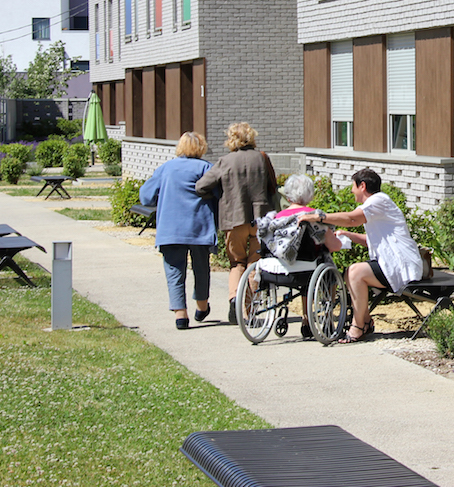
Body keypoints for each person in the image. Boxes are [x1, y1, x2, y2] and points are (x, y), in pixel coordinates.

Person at [296, 168, 421, 343]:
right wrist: (348, 235)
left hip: (402, 265)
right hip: (394, 263)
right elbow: (372, 240)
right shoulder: (377, 205)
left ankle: (359, 326)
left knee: (355, 272)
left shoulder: (378, 200)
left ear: (362, 186)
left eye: (353, 187)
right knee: (352, 272)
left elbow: (351, 219)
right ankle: (365, 321)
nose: (351, 191)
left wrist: (318, 217)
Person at [195, 122, 277, 322]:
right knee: (255, 264)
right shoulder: (262, 158)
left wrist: (220, 196)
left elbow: (201, 186)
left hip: (234, 218)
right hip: (260, 218)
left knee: (237, 262)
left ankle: (234, 299)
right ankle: (249, 310)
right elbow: (273, 186)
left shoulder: (225, 161)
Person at [139, 132, 216, 331]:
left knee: (174, 272)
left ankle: (180, 315)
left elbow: (146, 197)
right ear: (201, 148)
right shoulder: (206, 168)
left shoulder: (166, 168)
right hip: (199, 228)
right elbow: (219, 195)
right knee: (201, 268)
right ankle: (202, 306)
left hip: (170, 228)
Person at [257, 174, 346, 339]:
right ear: (310, 194)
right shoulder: (313, 217)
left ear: (288, 195)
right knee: (328, 270)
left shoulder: (276, 218)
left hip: (278, 267)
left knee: (309, 270)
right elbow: (334, 246)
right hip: (308, 267)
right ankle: (326, 318)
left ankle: (306, 318)